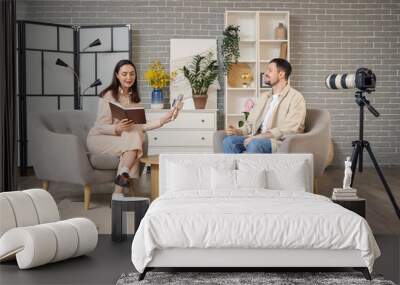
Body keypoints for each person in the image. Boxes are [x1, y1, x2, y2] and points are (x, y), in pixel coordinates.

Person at [87, 59, 182, 195]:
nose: (128, 77)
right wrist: (117, 128)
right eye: (124, 74)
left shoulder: (135, 99)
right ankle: (119, 192)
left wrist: (163, 120)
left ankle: (121, 179)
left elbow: (141, 126)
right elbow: (100, 126)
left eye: (132, 74)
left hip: (123, 140)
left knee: (135, 136)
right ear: (117, 76)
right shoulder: (108, 95)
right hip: (99, 138)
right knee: (135, 140)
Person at [223, 58, 306, 154]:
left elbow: (290, 129)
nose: (266, 73)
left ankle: (250, 168)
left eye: (270, 70)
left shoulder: (296, 98)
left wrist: (259, 137)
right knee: (229, 142)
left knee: (254, 144)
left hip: (277, 141)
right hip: (256, 137)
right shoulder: (264, 96)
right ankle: (236, 169)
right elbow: (251, 123)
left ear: (281, 74)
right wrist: (238, 131)